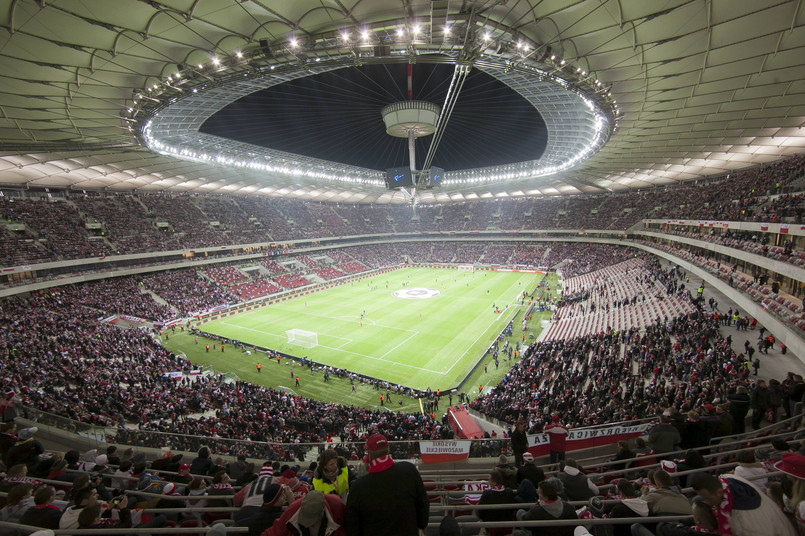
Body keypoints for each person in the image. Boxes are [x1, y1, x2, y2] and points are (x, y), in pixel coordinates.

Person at [345, 433, 428, 536]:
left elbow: (352, 526)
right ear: (388, 449)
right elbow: (423, 506)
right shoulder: (409, 470)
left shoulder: (358, 487)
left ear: (369, 455)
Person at [691, 472, 796, 536]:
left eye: (708, 498)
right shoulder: (730, 480)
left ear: (719, 492)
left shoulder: (745, 525)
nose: (707, 502)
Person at [263, 489, 346, 536]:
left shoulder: (337, 508)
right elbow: (275, 531)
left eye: (311, 522)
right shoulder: (293, 510)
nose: (306, 525)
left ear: (322, 513)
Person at [476, 469, 517, 536]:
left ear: (494, 482)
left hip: (491, 526)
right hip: (508, 526)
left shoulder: (487, 493)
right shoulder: (509, 491)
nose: (488, 482)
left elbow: (481, 512)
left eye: (489, 480)